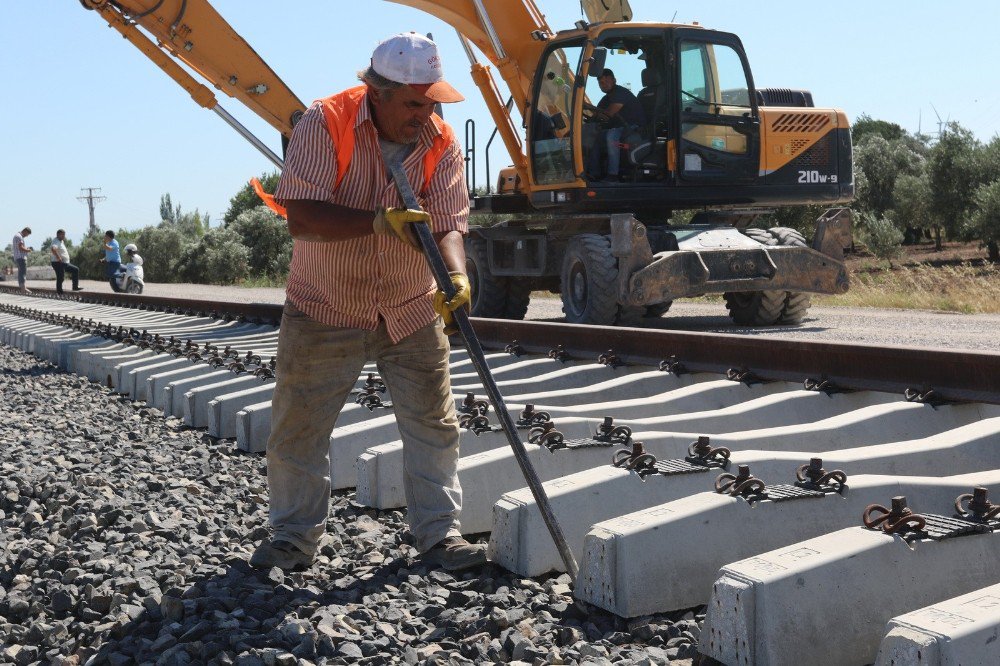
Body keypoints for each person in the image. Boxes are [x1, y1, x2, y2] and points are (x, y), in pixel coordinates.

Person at [249, 33, 484, 573]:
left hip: (409, 305)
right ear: (377, 92)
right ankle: (292, 539)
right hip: (326, 306)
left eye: (432, 102)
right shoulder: (324, 122)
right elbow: (302, 217)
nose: (425, 114)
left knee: (434, 424)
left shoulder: (440, 140)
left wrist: (455, 277)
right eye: (414, 103)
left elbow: (449, 222)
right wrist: (377, 221)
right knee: (300, 426)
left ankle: (440, 537)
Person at [585, 68, 647, 181]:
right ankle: (594, 173)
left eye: (606, 81)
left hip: (634, 128)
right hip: (620, 128)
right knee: (594, 136)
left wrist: (589, 107)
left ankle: (613, 175)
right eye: (601, 83)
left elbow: (608, 114)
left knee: (611, 136)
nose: (603, 85)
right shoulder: (606, 98)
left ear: (614, 80)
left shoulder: (620, 93)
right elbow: (598, 114)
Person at [50, 229, 83, 294]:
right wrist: (58, 257)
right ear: (58, 235)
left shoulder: (61, 241)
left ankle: (75, 287)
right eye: (62, 235)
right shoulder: (56, 241)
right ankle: (59, 292)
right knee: (60, 277)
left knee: (75, 270)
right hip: (58, 263)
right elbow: (53, 249)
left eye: (64, 235)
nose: (64, 236)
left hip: (64, 263)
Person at [12, 227, 34, 293]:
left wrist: (25, 249)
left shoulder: (16, 236)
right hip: (21, 258)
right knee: (22, 273)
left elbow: (20, 247)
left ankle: (23, 288)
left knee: (21, 273)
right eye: (27, 234)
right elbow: (21, 248)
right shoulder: (19, 236)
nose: (27, 236)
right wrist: (28, 250)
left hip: (17, 257)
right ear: (25, 231)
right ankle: (23, 289)